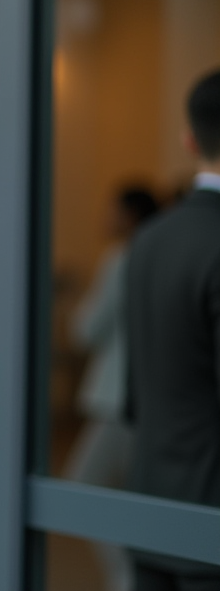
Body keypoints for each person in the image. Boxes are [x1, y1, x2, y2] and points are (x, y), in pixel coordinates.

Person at [124, 69, 220, 591]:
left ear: (189, 140)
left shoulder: (150, 237)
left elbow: (136, 391)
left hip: (152, 503)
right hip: (211, 524)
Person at [65, 185, 158, 591]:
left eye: (113, 210)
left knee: (82, 485)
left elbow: (88, 329)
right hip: (155, 397)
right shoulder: (161, 253)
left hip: (116, 398)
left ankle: (127, 575)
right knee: (137, 491)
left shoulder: (120, 257)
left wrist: (72, 315)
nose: (106, 218)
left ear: (129, 215)